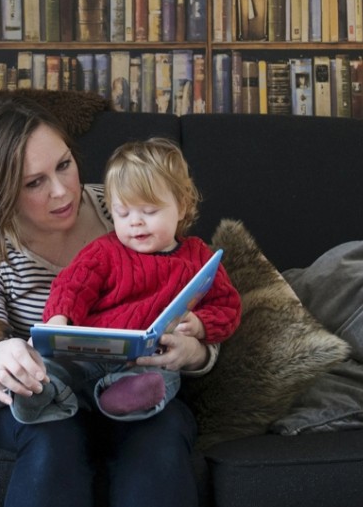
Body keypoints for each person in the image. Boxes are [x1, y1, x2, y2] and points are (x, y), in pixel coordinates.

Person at [0, 97, 226, 507]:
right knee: (53, 433)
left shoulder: (126, 206)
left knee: (163, 426)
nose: (62, 191)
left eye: (65, 165)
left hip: (126, 388)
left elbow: (200, 292)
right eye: (35, 182)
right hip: (34, 400)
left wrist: (195, 353)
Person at [13, 137, 240, 425]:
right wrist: (59, 320)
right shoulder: (104, 250)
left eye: (149, 211)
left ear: (181, 207)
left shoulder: (198, 257)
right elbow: (71, 286)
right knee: (51, 367)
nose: (135, 222)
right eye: (123, 212)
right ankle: (38, 393)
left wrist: (202, 324)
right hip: (90, 352)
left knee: (162, 376)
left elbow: (228, 306)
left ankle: (128, 398)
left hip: (147, 360)